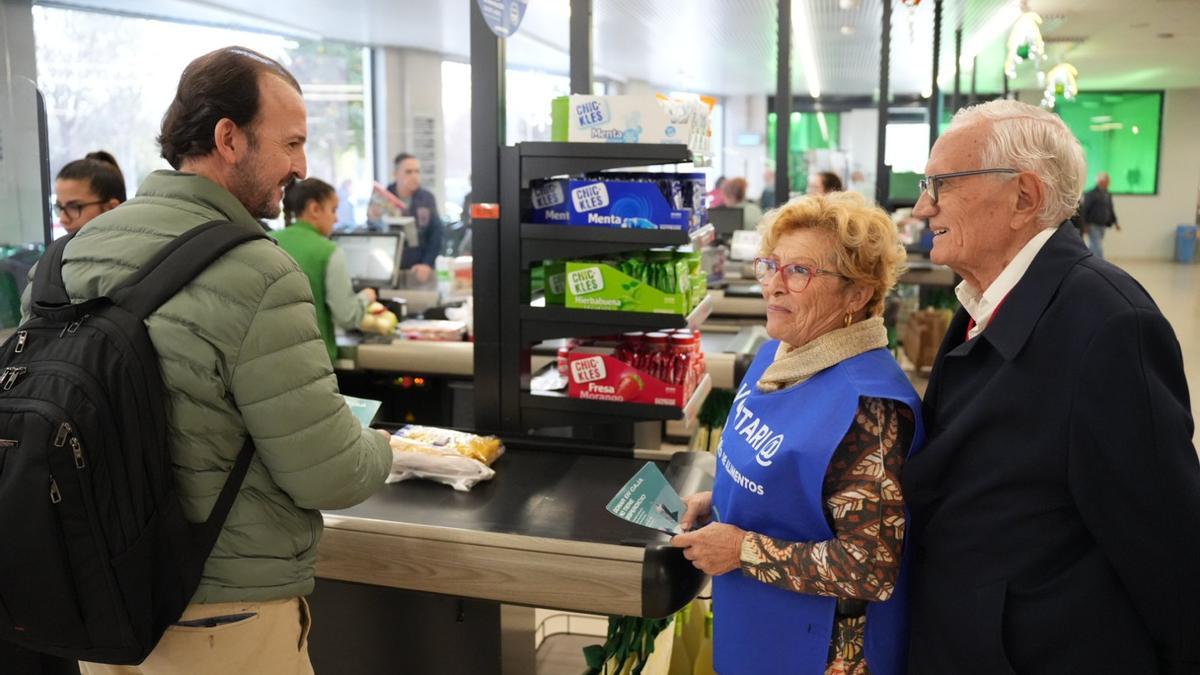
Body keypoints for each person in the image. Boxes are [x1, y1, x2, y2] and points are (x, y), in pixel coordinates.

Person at [23, 46, 393, 674]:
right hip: (222, 622)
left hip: (97, 610)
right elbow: (329, 475)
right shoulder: (256, 271)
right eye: (291, 143)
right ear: (228, 138)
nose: (301, 167)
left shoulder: (62, 261)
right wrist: (382, 445)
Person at [904, 99, 1200, 673]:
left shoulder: (1108, 324)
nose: (922, 207)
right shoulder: (985, 298)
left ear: (1025, 197)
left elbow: (1170, 546)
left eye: (941, 184)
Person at [672, 192, 925, 675]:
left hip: (821, 651)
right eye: (771, 265)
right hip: (759, 622)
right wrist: (722, 501)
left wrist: (742, 550)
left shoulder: (870, 408)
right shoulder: (781, 355)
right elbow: (792, 476)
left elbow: (870, 567)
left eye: (799, 272)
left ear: (857, 294)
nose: (773, 286)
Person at [274, 177, 378, 364]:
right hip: (312, 362)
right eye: (333, 209)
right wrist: (367, 297)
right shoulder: (328, 251)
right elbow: (346, 316)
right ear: (314, 209)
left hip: (270, 360)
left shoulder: (267, 240)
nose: (336, 218)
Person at [386, 152, 443, 284]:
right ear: (396, 174)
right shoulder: (384, 198)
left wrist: (427, 263)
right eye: (408, 172)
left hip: (419, 269)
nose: (414, 176)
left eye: (417, 171)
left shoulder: (427, 198)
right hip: (390, 269)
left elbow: (436, 233)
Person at [53, 150, 126, 235]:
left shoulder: (138, 247)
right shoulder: (63, 246)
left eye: (74, 207)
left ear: (111, 208)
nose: (63, 219)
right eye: (59, 207)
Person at [1081, 171, 1119, 258]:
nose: (1109, 183)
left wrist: (1116, 222)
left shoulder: (1107, 194)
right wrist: (1084, 225)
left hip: (1102, 225)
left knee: (1094, 245)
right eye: (1107, 181)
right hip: (1092, 224)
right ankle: (1101, 263)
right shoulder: (1090, 194)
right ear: (1100, 181)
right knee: (1097, 245)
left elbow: (1110, 209)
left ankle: (1089, 261)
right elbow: (1084, 210)